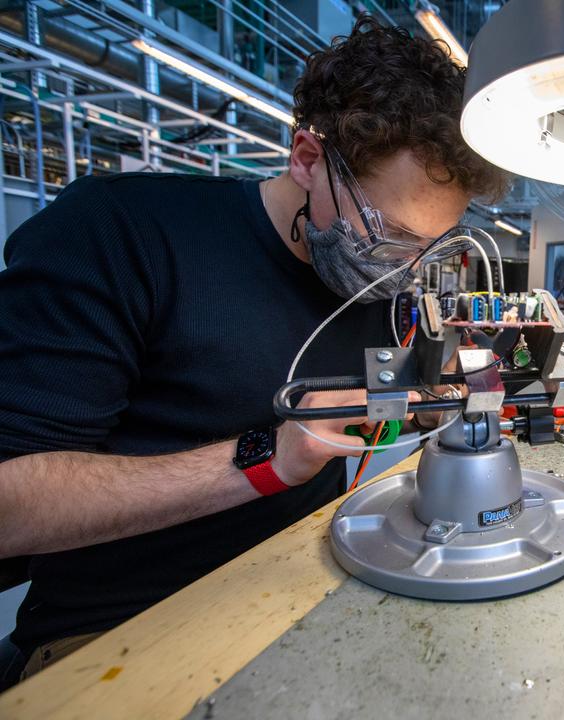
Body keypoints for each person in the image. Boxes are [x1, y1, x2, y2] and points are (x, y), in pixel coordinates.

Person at [0, 15, 506, 685]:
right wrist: (267, 460)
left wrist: (447, 384)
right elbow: (12, 507)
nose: (404, 272)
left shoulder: (385, 288)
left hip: (311, 582)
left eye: (428, 248)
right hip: (119, 633)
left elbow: (377, 395)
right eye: (390, 236)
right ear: (306, 158)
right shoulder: (120, 231)